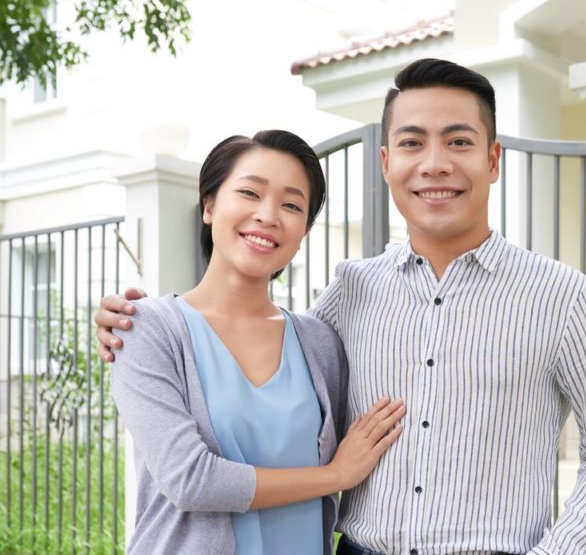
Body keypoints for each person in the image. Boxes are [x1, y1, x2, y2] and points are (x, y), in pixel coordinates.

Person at [97, 59, 586, 555]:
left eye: (458, 142)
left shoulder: (563, 296)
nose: (434, 164)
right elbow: (263, 374)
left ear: (493, 159)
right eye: (412, 143)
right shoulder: (351, 291)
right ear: (386, 162)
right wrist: (133, 324)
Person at [109, 130, 405, 555]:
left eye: (291, 205)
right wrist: (335, 476)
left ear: (303, 230)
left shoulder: (320, 343)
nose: (268, 216)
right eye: (250, 193)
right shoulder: (146, 329)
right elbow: (190, 480)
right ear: (209, 206)